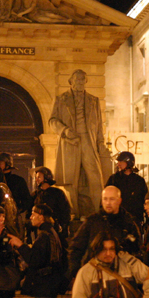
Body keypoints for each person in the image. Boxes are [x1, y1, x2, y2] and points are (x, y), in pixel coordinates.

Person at [49, 69, 108, 217]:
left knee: (95, 177)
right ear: (71, 81)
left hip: (89, 141)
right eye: (77, 79)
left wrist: (101, 143)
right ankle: (74, 212)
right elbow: (52, 121)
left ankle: (98, 210)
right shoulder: (61, 99)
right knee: (71, 180)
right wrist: (65, 130)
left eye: (83, 79)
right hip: (70, 142)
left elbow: (100, 126)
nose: (80, 82)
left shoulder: (93, 101)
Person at [71, 231, 149, 298]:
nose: (108, 253)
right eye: (103, 249)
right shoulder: (85, 272)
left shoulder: (129, 264)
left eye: (111, 249)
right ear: (96, 249)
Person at [68, 186, 141, 278]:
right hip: (94, 273)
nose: (108, 203)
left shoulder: (128, 223)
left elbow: (136, 250)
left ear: (119, 201)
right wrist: (75, 273)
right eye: (105, 199)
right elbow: (76, 248)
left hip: (120, 275)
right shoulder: (92, 221)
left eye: (112, 199)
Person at [9, 204, 67, 298]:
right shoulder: (51, 232)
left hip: (44, 285)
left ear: (41, 217)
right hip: (49, 284)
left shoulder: (44, 235)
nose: (30, 217)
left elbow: (35, 260)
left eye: (33, 214)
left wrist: (20, 245)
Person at [105, 151, 148, 227]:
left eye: (121, 161)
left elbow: (145, 200)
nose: (118, 164)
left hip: (135, 221)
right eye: (118, 162)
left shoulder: (139, 181)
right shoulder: (114, 179)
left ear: (128, 163)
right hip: (116, 221)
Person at [31, 167, 71, 245]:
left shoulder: (57, 193)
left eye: (39, 177)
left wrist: (63, 226)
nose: (37, 180)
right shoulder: (35, 195)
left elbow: (65, 210)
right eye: (36, 177)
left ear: (46, 177)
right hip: (39, 229)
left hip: (55, 228)